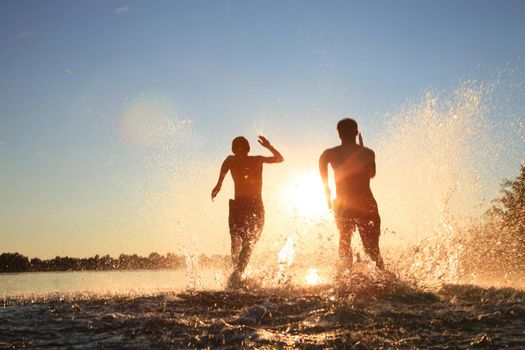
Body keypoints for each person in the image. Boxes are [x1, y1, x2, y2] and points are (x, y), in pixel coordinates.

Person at [211, 135, 284, 286]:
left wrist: (219, 184)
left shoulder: (231, 160)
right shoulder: (256, 159)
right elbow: (279, 159)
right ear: (248, 148)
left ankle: (236, 274)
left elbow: (224, 169)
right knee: (248, 242)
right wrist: (268, 146)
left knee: (237, 239)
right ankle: (238, 274)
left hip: (240, 204)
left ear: (234, 148)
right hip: (255, 205)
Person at [319, 118, 384, 272]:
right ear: (356, 132)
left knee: (345, 240)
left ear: (339, 134)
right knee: (372, 250)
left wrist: (328, 198)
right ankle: (384, 281)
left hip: (343, 203)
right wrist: (361, 149)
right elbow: (372, 174)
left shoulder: (329, 154)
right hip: (365, 202)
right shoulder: (368, 153)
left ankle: (344, 279)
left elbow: (324, 181)